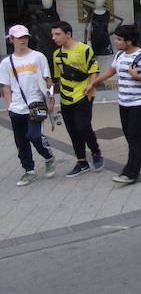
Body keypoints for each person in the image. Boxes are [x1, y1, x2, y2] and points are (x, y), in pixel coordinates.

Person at [84, 25, 141, 184]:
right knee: (133, 134)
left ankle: (130, 173)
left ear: (129, 41)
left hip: (140, 102)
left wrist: (137, 75)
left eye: (119, 39)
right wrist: (93, 83)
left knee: (134, 136)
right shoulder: (120, 54)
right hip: (124, 101)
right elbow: (111, 71)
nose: (116, 41)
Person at [1, 25, 56, 186]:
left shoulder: (38, 57)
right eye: (19, 37)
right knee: (21, 141)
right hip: (16, 108)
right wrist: (9, 105)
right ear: (11, 39)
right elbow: (6, 87)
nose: (23, 40)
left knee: (34, 136)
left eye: (25, 37)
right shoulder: (6, 63)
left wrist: (51, 99)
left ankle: (48, 156)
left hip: (36, 103)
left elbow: (48, 80)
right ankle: (29, 170)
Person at [50, 21, 104, 177]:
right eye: (53, 35)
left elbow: (94, 70)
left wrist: (91, 86)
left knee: (83, 127)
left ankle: (95, 151)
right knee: (72, 131)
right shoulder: (56, 54)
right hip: (66, 98)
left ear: (68, 34)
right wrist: (55, 96)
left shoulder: (85, 50)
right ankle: (81, 162)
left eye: (57, 34)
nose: (54, 37)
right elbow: (58, 77)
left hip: (83, 94)